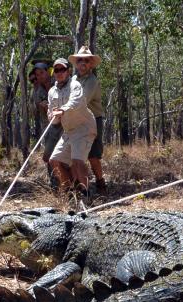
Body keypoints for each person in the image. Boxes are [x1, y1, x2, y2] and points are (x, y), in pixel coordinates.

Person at [47, 58, 97, 196]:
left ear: (68, 71)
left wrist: (62, 110)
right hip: (68, 130)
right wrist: (53, 117)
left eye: (62, 69)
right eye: (56, 70)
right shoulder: (52, 92)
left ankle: (86, 194)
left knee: (77, 161)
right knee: (54, 160)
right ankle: (70, 193)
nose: (59, 73)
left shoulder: (75, 85)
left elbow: (75, 102)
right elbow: (52, 116)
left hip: (84, 128)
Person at [69, 46, 107, 194]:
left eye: (86, 60)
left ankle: (100, 183)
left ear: (91, 64)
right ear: (76, 64)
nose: (83, 63)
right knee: (75, 155)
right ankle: (79, 187)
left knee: (93, 155)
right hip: (76, 121)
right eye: (79, 60)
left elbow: (82, 101)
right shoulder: (72, 80)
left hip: (93, 120)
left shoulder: (92, 81)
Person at [31, 62, 62, 188]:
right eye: (37, 75)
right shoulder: (37, 91)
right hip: (48, 126)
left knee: (62, 155)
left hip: (63, 125)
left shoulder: (58, 84)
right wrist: (41, 106)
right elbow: (34, 111)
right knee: (48, 156)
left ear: (48, 72)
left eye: (42, 73)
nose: (39, 77)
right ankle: (54, 183)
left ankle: (68, 183)